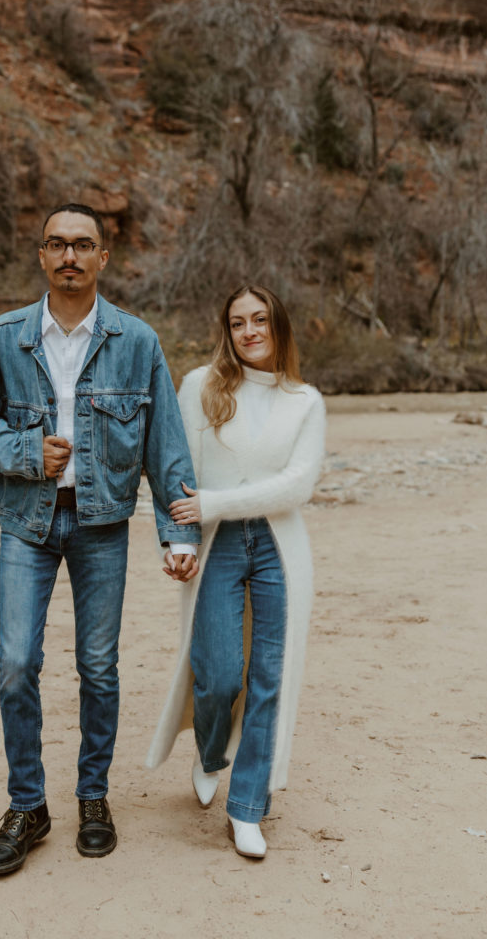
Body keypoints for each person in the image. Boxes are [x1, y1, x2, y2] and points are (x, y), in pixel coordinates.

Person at [0, 202, 200, 875]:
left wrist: (177, 533)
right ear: (40, 256)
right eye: (57, 245)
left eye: (82, 245)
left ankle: (93, 796)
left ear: (102, 258)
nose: (69, 256)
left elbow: (166, 445)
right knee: (14, 663)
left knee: (98, 668)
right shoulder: (4, 336)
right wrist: (27, 451)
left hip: (102, 524)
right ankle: (27, 806)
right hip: (26, 524)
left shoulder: (136, 340)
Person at [147, 284, 325, 858]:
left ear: (280, 327)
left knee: (270, 678)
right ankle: (209, 749)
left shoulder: (306, 401)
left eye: (261, 320)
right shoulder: (202, 386)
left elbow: (299, 485)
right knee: (220, 673)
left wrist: (214, 503)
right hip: (217, 544)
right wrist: (177, 540)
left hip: (279, 545)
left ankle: (247, 809)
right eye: (238, 322)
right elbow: (175, 466)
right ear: (226, 330)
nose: (249, 331)